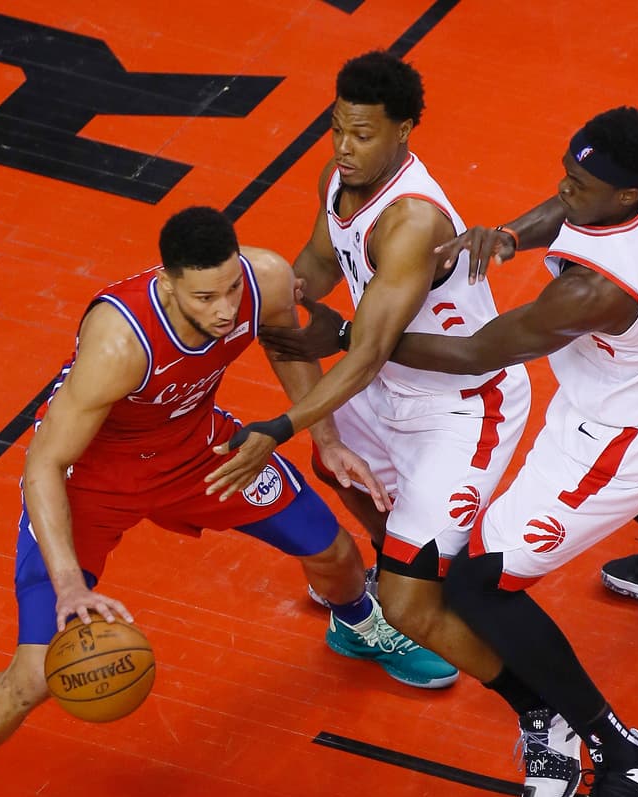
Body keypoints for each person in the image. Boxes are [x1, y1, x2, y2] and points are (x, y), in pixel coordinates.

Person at [0, 206, 459, 797]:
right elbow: (44, 463)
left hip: (199, 454)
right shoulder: (120, 341)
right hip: (91, 485)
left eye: (229, 289)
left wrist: (324, 438)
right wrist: (69, 585)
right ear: (167, 284)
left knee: (334, 552)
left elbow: (285, 343)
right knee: (35, 675)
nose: (224, 308)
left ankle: (354, 624)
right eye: (204, 297)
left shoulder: (263, 279)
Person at [262, 107, 638, 797]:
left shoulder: (596, 291)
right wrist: (511, 235)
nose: (564, 186)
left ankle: (627, 758)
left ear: (626, 195)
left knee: (476, 585)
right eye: (568, 169)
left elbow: (478, 351)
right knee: (484, 548)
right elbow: (571, 205)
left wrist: (353, 338)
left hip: (624, 440)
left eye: (580, 183)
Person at [205, 51, 533, 727]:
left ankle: (538, 705)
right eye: (337, 129)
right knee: (338, 463)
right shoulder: (339, 179)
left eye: (362, 134)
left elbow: (363, 353)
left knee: (418, 603)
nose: (343, 148)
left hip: (461, 406)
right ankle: (402, 561)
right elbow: (317, 268)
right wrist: (255, 303)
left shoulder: (411, 221)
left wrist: (280, 427)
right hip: (385, 383)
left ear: (404, 130)